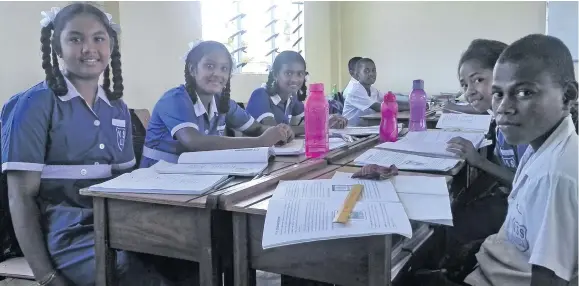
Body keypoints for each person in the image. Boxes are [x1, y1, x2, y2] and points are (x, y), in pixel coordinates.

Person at [1, 3, 171, 285]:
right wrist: (47, 276)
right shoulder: (35, 104)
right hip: (63, 234)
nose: (88, 48)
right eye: (75, 38)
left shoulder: (117, 107)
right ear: (57, 47)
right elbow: (20, 197)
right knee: (134, 274)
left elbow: (124, 183)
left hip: (115, 224)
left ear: (111, 46)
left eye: (98, 38)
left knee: (188, 258)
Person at [461, 34, 578, 286]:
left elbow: (549, 279)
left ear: (567, 96)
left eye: (524, 92)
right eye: (498, 93)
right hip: (494, 265)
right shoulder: (541, 147)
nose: (503, 107)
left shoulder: (554, 175)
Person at [435, 39, 525, 282]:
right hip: (512, 198)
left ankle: (449, 271)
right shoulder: (499, 120)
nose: (469, 90)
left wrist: (478, 161)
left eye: (478, 79)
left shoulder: (522, 125)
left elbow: (524, 182)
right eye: (465, 84)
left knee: (449, 225)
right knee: (454, 209)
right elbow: (503, 165)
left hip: (524, 211)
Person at [140, 41, 294, 168]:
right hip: (156, 178)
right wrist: (260, 142)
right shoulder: (174, 99)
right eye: (209, 66)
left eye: (224, 68)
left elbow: (257, 128)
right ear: (193, 69)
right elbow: (195, 142)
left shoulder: (222, 101)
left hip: (195, 175)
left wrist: (279, 131)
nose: (218, 74)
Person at [245, 50, 348, 136]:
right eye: (288, 73)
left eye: (300, 74)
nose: (294, 79)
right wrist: (322, 125)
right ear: (276, 74)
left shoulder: (292, 98)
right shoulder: (260, 95)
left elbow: (310, 122)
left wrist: (331, 120)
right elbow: (275, 132)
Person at [342, 58, 382, 126]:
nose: (371, 74)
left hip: (363, 128)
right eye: (366, 71)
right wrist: (405, 106)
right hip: (350, 131)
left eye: (373, 70)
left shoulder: (373, 90)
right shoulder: (355, 90)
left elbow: (387, 100)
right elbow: (378, 107)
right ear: (357, 75)